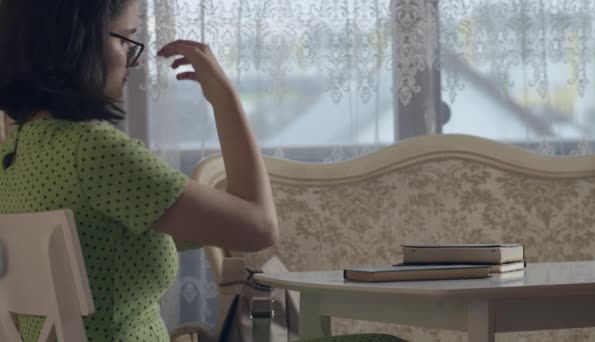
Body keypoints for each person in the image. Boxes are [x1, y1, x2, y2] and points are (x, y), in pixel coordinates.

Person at [0, 0, 405, 341]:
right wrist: (224, 97)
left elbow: (117, 244)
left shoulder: (16, 154)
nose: (133, 60)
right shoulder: (93, 150)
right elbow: (259, 227)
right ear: (79, 41)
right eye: (126, 38)